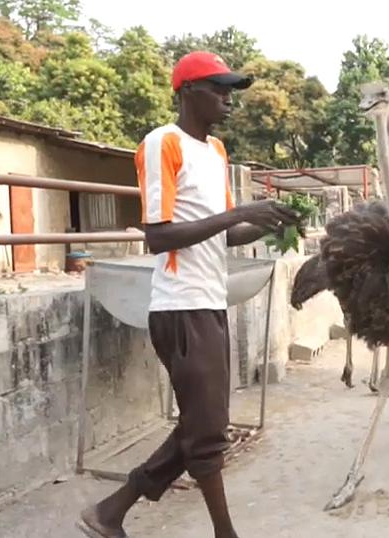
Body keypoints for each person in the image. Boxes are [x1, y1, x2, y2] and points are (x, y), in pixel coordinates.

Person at [77, 51, 301, 538]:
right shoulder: (162, 143)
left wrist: (263, 224)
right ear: (186, 92)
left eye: (230, 89)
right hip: (179, 306)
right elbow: (157, 236)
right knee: (208, 434)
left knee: (205, 424)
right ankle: (225, 532)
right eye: (217, 88)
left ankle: (111, 511)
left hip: (210, 302)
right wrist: (236, 213)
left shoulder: (216, 152)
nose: (227, 98)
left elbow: (221, 235)